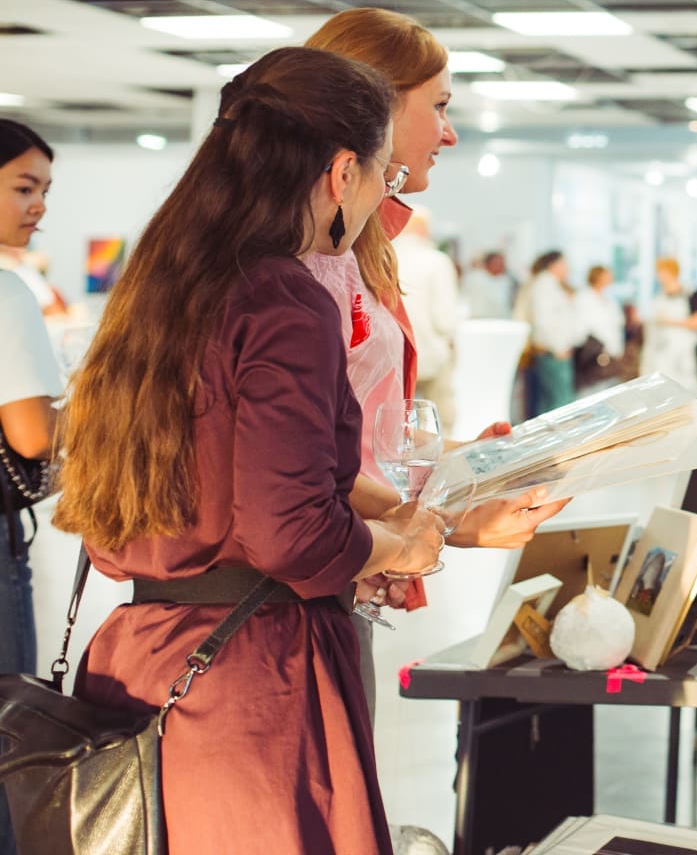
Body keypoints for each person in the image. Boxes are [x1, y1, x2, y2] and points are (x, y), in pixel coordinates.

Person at [53, 47, 447, 854]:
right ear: (342, 174)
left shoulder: (164, 281)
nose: (382, 195)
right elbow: (290, 534)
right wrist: (401, 544)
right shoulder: (282, 296)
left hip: (140, 660)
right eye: (383, 176)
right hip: (249, 680)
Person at [304, 8, 563, 708]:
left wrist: (453, 481)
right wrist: (441, 513)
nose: (449, 133)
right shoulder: (306, 265)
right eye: (439, 108)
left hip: (339, 582)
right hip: (290, 600)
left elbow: (350, 442)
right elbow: (301, 461)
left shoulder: (360, 250)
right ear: (374, 110)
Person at [0, 119, 62, 855]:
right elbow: (34, 434)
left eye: (45, 190)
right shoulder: (7, 291)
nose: (39, 205)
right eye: (23, 187)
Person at [392, 207, 460, 425]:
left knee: (396, 424)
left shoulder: (386, 255)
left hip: (395, 354)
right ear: (424, 229)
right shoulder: (437, 261)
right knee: (436, 424)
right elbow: (444, 318)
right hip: (433, 353)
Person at [525, 250, 579, 414]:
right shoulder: (544, 285)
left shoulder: (551, 285)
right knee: (558, 406)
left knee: (555, 403)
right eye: (564, 264)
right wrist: (557, 348)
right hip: (553, 352)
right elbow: (544, 321)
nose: (567, 268)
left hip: (556, 351)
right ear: (553, 265)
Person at [641, 257, 697, 392]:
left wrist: (670, 321)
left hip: (684, 358)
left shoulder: (690, 295)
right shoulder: (658, 299)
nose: (660, 276)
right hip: (662, 357)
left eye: (663, 271)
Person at [464, 250, 517, 320]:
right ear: (488, 263)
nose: (502, 266)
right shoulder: (475, 278)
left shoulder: (505, 281)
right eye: (497, 263)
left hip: (502, 320)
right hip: (478, 320)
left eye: (502, 263)